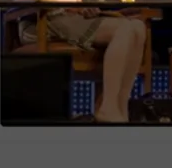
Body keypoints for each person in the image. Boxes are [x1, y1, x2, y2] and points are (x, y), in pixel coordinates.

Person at [17, 7, 147, 123]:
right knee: (125, 29)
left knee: (138, 26)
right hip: (53, 16)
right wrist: (78, 7)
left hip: (78, 14)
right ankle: (108, 106)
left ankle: (121, 109)